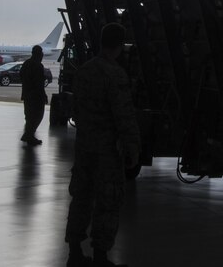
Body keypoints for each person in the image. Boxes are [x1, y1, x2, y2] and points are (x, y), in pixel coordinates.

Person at [65, 23, 140, 267]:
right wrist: (132, 147)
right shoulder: (115, 74)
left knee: (81, 198)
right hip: (106, 150)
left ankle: (74, 252)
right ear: (119, 46)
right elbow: (124, 116)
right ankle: (100, 257)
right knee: (108, 201)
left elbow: (76, 109)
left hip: (84, 146)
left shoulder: (84, 71)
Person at [20, 45, 48, 145]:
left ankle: (28, 134)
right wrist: (43, 95)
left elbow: (21, 76)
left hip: (27, 95)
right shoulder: (38, 66)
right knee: (37, 116)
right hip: (36, 96)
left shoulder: (26, 63)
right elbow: (39, 83)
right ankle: (29, 135)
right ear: (39, 54)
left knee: (28, 116)